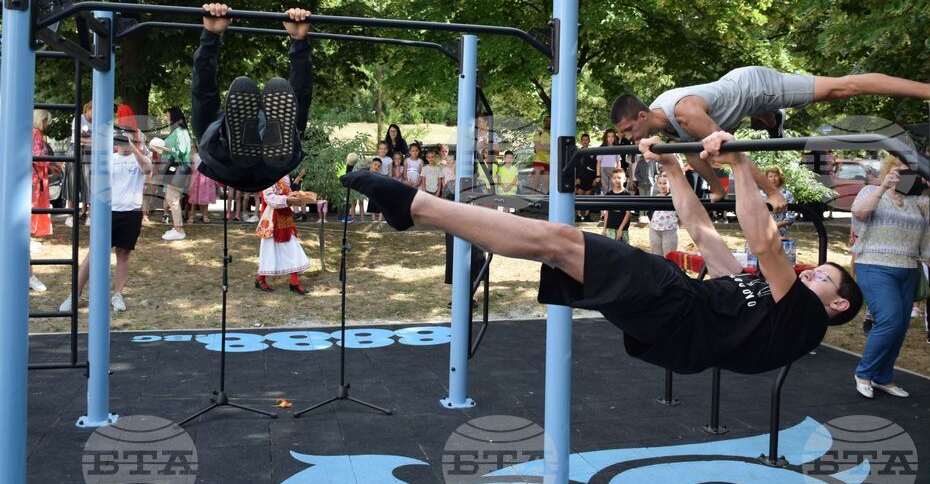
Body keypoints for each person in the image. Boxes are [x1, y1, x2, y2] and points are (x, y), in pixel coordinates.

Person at [340, 129, 864, 375]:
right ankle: (417, 210)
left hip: (678, 313)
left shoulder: (803, 322)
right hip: (669, 319)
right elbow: (703, 233)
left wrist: (742, 164)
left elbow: (766, 242)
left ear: (837, 305)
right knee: (558, 248)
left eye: (826, 278)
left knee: (563, 241)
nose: (814, 271)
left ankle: (416, 207)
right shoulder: (759, 296)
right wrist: (674, 169)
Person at [611, 66, 930, 212]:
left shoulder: (686, 113)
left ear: (642, 116)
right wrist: (718, 188)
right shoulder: (663, 123)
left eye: (628, 131)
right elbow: (693, 155)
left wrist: (772, 192)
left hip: (755, 86)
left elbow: (736, 154)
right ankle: (772, 119)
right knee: (696, 147)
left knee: (841, 87)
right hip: (731, 105)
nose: (627, 138)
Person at [191, 3, 313, 193]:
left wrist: (210, 36)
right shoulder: (275, 114)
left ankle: (234, 141)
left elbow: (203, 93)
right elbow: (301, 97)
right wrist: (299, 42)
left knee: (210, 129)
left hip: (226, 162)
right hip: (273, 167)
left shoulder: (218, 122)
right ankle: (252, 140)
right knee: (293, 120)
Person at [850, 156, 930, 399]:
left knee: (901, 326)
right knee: (890, 320)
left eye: (910, 171)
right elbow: (859, 213)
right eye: (900, 169)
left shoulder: (917, 202)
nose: (904, 173)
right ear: (888, 169)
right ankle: (864, 373)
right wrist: (884, 186)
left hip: (907, 267)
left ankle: (882, 377)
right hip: (874, 265)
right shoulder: (872, 190)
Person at [60, 127, 152, 312]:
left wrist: (133, 147)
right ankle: (74, 295)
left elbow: (147, 169)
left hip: (131, 213)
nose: (124, 142)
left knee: (123, 254)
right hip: (108, 212)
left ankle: (118, 294)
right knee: (94, 254)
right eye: (121, 139)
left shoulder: (141, 158)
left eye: (130, 139)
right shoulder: (108, 159)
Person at [254, 175, 311, 294]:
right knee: (269, 249)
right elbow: (268, 197)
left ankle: (294, 282)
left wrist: (295, 196)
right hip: (271, 217)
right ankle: (261, 279)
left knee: (292, 246)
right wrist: (288, 199)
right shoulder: (268, 173)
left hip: (284, 215)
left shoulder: (284, 174)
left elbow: (287, 191)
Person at [152, 106, 191, 241]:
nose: (166, 119)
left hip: (178, 169)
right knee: (172, 198)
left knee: (172, 199)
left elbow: (180, 151)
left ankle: (179, 229)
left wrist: (161, 147)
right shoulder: (179, 131)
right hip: (174, 168)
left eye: (168, 116)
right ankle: (177, 227)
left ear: (173, 117)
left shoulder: (180, 132)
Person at [31, 109, 58, 243]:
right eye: (48, 122)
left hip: (37, 174)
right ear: (43, 120)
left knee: (34, 204)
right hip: (36, 176)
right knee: (33, 204)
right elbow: (37, 156)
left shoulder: (33, 133)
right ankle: (31, 234)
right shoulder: (35, 134)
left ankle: (33, 233)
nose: (48, 125)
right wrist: (52, 163)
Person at [65, 101, 93, 228]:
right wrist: (92, 140)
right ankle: (70, 216)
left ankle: (90, 216)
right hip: (75, 150)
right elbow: (76, 137)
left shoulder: (98, 120)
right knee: (72, 181)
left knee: (90, 182)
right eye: (93, 110)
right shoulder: (78, 119)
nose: (94, 113)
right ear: (87, 109)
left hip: (90, 152)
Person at [649, 171, 679, 257]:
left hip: (670, 230)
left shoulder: (675, 196)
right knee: (657, 256)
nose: (662, 186)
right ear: (657, 184)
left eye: (665, 183)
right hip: (654, 229)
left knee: (669, 256)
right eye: (660, 183)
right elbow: (650, 212)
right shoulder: (655, 197)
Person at [186, 142, 217, 224]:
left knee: (205, 198)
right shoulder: (194, 155)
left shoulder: (208, 154)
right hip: (196, 177)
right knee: (194, 198)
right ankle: (192, 216)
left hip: (206, 178)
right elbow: (192, 169)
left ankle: (205, 215)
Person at [763, 166, 795, 237]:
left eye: (775, 176)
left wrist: (774, 226)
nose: (773, 179)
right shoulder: (761, 194)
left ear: (780, 177)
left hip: (781, 234)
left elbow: (791, 217)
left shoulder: (787, 194)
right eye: (770, 176)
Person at [602, 168, 632, 243]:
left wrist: (620, 229)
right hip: (610, 227)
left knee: (623, 251)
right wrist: (604, 228)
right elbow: (607, 213)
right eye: (614, 178)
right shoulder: (609, 194)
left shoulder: (627, 195)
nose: (617, 180)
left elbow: (628, 214)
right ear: (612, 179)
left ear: (624, 179)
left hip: (623, 229)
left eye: (619, 177)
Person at [573, 133, 597, 222]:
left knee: (588, 198)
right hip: (580, 178)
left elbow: (595, 166)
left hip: (590, 178)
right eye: (583, 140)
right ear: (581, 141)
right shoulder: (578, 153)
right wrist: (576, 177)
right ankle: (579, 216)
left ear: (589, 141)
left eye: (587, 139)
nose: (585, 141)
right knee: (579, 197)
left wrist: (595, 178)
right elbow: (575, 166)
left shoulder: (593, 153)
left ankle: (587, 216)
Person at [528, 116, 551, 193]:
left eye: (550, 121)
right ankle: (532, 202)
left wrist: (543, 147)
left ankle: (544, 202)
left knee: (546, 184)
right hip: (539, 160)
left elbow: (540, 147)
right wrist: (551, 148)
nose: (548, 122)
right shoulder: (539, 132)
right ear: (544, 122)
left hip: (550, 162)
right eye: (547, 121)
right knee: (535, 184)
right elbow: (538, 146)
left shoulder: (555, 132)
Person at [596, 129, 619, 195]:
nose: (610, 138)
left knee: (613, 188)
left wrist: (618, 173)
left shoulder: (616, 148)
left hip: (614, 170)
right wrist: (598, 176)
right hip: (603, 169)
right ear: (605, 138)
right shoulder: (601, 148)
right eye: (608, 137)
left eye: (612, 136)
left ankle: (612, 204)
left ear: (615, 138)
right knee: (604, 188)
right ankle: (605, 204)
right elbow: (598, 163)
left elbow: (618, 162)